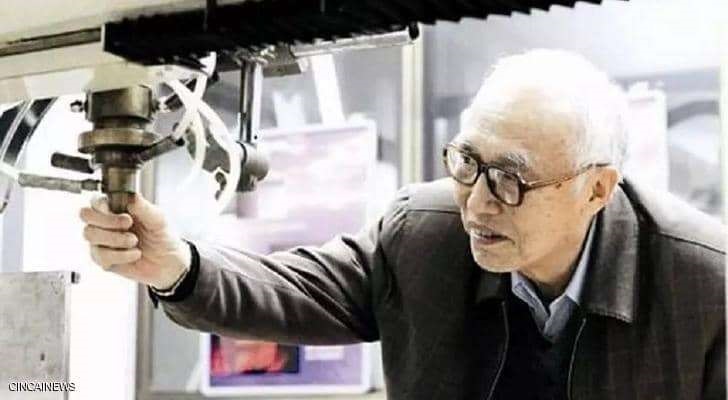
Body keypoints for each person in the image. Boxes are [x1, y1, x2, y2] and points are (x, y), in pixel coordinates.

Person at [80, 49, 726, 399]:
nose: (477, 204)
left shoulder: (705, 286)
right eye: (467, 162)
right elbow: (297, 289)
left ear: (597, 188)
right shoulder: (425, 234)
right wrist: (177, 267)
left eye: (511, 178)